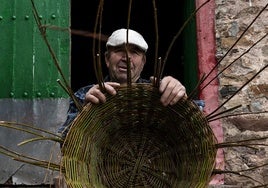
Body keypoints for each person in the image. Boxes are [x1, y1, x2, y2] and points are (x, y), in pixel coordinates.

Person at [58, 28, 186, 138]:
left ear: (143, 62)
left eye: (134, 52)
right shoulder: (85, 95)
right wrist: (84, 114)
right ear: (107, 59)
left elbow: (196, 124)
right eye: (119, 50)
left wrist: (181, 100)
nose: (126, 57)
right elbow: (64, 141)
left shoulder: (157, 93)